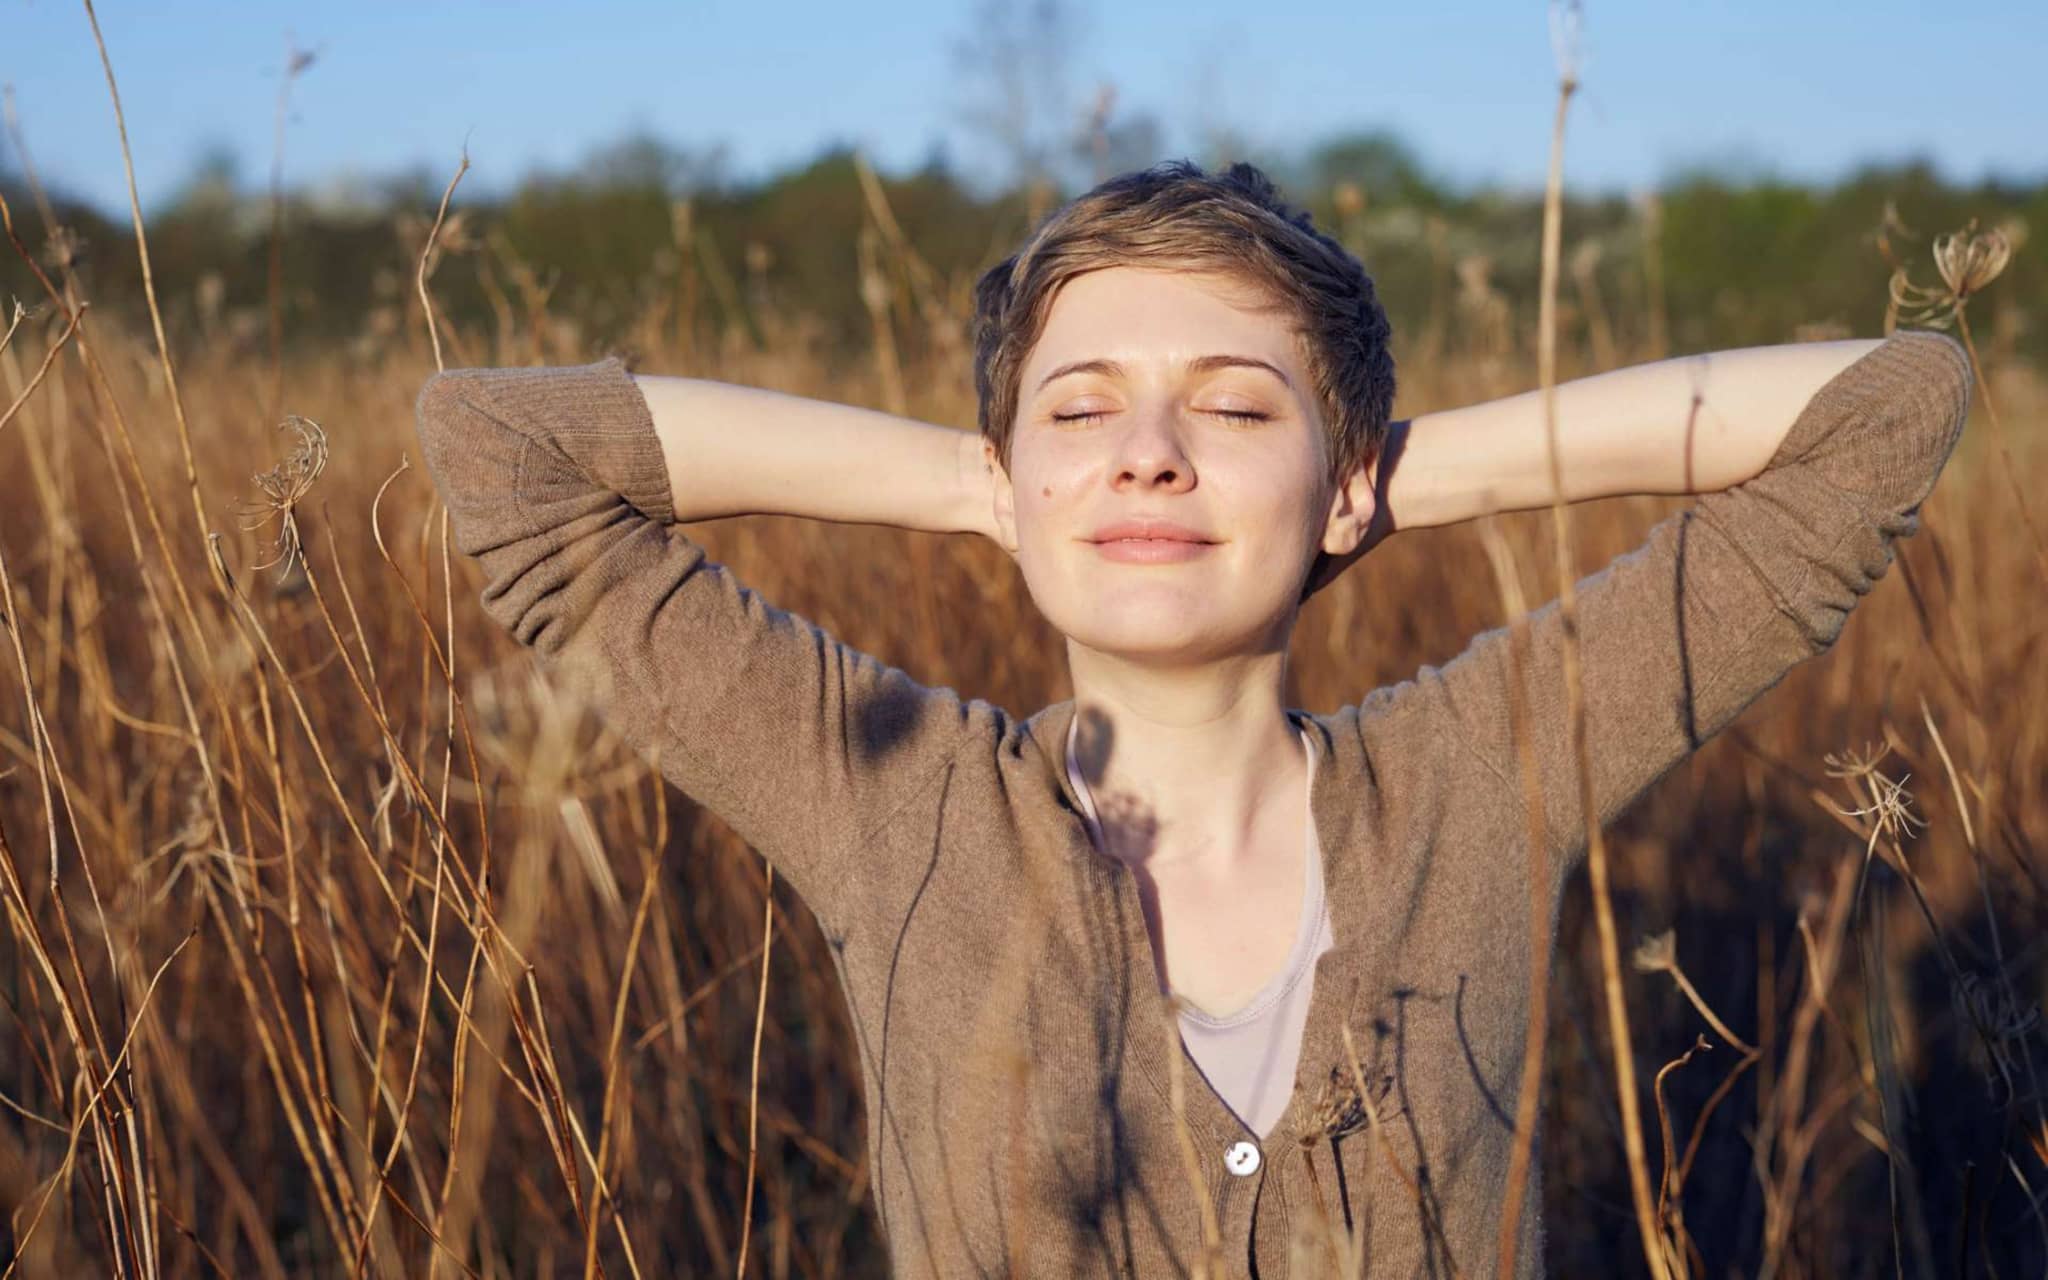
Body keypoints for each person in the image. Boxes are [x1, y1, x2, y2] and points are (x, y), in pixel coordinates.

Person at [413, 160, 1973, 1278]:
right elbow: (501, 449)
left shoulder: (1484, 774)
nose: (1148, 453)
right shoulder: (889, 802)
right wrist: (989, 489)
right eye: (1080, 407)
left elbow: (1892, 406)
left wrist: (1395, 487)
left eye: (1234, 406)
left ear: (1343, 475)